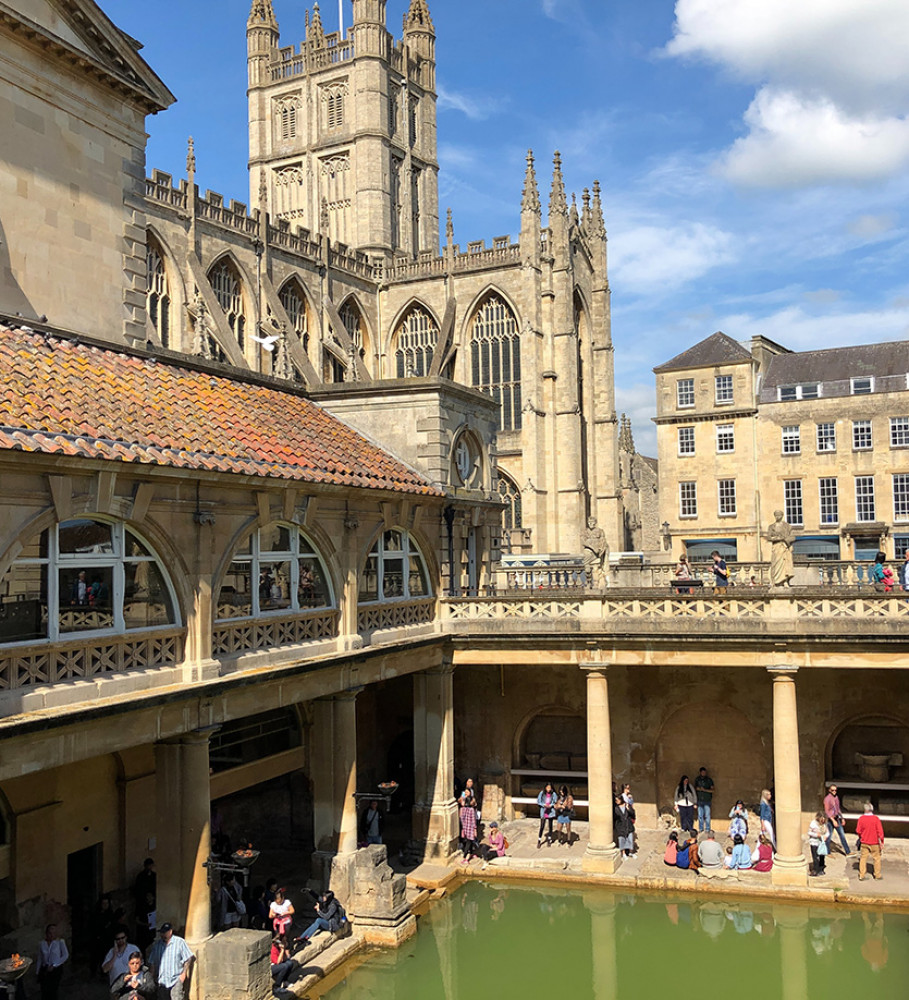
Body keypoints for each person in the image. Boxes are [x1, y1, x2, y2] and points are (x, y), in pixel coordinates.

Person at [148, 923, 193, 1000]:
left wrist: (183, 974)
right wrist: (152, 978)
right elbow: (152, 962)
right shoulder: (157, 945)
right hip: (162, 981)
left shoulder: (179, 942)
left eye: (164, 932)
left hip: (176, 979)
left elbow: (188, 957)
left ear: (170, 932)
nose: (162, 935)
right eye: (161, 932)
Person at [36, 924, 69, 1000]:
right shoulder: (42, 944)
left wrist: (55, 965)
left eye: (54, 933)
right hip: (45, 968)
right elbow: (40, 958)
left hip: (56, 969)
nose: (52, 935)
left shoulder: (60, 942)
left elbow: (65, 955)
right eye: (50, 933)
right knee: (44, 990)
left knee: (53, 990)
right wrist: (37, 972)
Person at [764, 510, 795, 587]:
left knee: (785, 565)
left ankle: (785, 581)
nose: (777, 517)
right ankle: (774, 581)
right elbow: (768, 537)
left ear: (782, 515)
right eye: (776, 515)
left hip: (784, 547)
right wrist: (777, 538)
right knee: (775, 564)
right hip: (776, 548)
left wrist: (786, 540)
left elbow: (793, 537)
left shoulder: (787, 526)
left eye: (779, 515)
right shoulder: (771, 527)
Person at [856, 802, 884, 881]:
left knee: (863, 858)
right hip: (874, 842)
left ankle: (862, 875)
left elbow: (858, 830)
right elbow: (880, 832)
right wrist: (882, 842)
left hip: (864, 842)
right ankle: (877, 875)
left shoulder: (861, 818)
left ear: (865, 809)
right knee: (876, 858)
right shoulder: (876, 819)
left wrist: (861, 837)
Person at [823, 783, 851, 856]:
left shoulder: (836, 798)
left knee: (842, 834)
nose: (834, 791)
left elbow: (838, 809)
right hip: (830, 820)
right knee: (828, 836)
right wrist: (833, 820)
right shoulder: (827, 799)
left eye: (835, 790)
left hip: (837, 818)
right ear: (829, 790)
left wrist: (842, 818)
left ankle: (848, 851)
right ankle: (827, 852)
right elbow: (827, 812)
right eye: (832, 790)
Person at [583, 516, 609, 589]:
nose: (590, 523)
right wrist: (593, 548)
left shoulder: (600, 531)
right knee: (587, 570)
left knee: (596, 569)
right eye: (589, 522)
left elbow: (603, 541)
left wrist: (601, 549)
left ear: (595, 523)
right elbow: (583, 541)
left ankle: (595, 584)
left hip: (597, 553)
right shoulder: (585, 532)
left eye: (592, 522)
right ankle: (588, 581)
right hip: (588, 552)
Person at [613, 794, 636, 858]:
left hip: (628, 825)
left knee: (630, 839)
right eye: (616, 800)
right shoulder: (616, 808)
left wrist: (628, 809)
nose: (616, 802)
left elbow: (633, 815)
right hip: (620, 826)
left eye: (617, 800)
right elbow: (615, 817)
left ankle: (631, 852)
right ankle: (623, 853)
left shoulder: (627, 805)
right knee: (622, 840)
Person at [537, 782, 557, 849]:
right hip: (544, 811)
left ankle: (549, 839)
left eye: (550, 788)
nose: (548, 789)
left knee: (550, 825)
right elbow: (539, 801)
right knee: (542, 826)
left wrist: (550, 805)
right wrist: (544, 805)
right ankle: (539, 840)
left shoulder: (553, 794)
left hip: (550, 811)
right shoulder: (542, 793)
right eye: (547, 787)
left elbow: (555, 801)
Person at [694, 766, 714, 832]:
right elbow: (695, 788)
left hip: (707, 800)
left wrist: (705, 790)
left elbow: (712, 790)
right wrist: (699, 789)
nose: (703, 773)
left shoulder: (709, 780)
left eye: (704, 772)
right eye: (702, 772)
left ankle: (707, 828)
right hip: (700, 800)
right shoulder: (697, 779)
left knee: (707, 815)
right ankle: (701, 828)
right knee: (700, 815)